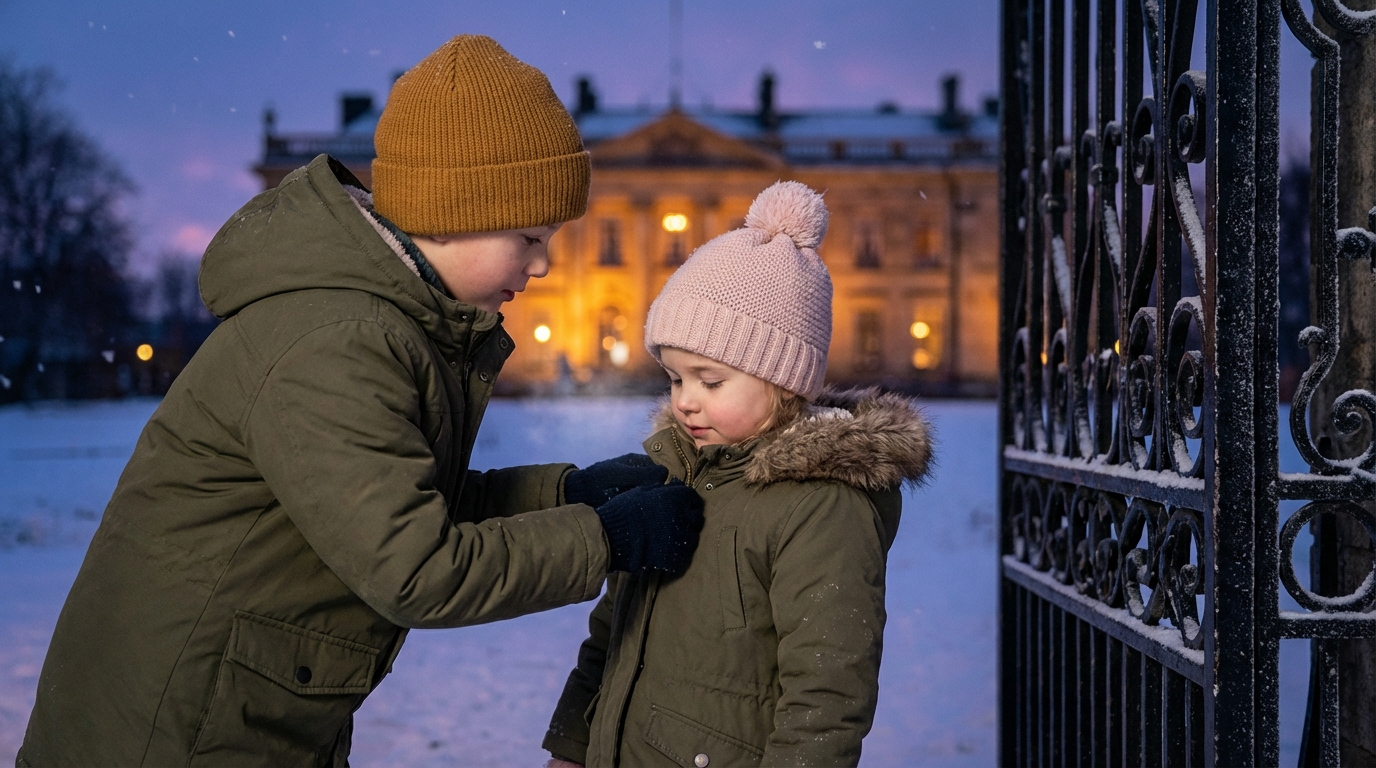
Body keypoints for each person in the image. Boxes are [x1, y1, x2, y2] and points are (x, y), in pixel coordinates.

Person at [17, 35, 703, 768]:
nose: (542, 265)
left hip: (230, 714)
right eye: (530, 236)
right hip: (172, 734)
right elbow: (417, 568)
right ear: (453, 211)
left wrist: (567, 493)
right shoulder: (339, 338)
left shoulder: (377, 319)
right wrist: (604, 540)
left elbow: (395, 502)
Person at [542, 181, 934, 767]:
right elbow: (611, 632)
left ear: (782, 379)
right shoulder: (672, 474)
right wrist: (573, 745)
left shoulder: (823, 507)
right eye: (674, 379)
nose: (686, 402)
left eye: (710, 381)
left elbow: (826, 695)